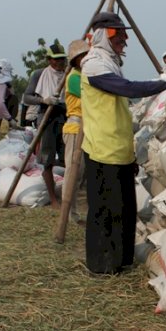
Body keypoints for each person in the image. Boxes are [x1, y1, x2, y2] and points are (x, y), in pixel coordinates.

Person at [81, 12, 166, 274]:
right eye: (117, 35)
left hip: (119, 149)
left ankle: (120, 261)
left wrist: (131, 155)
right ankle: (101, 266)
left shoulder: (110, 62)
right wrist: (160, 85)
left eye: (124, 35)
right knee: (104, 210)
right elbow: (127, 89)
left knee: (124, 209)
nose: (123, 41)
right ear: (102, 36)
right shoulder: (94, 63)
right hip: (102, 150)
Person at [22, 43, 67, 209]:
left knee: (66, 158)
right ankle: (53, 199)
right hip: (47, 118)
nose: (59, 62)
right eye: (56, 60)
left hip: (64, 117)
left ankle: (66, 195)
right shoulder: (39, 74)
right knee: (47, 159)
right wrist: (43, 100)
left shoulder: (67, 74)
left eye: (62, 59)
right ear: (49, 60)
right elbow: (27, 97)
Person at [64, 39, 91, 223]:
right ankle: (69, 213)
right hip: (75, 128)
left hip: (87, 128)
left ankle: (75, 212)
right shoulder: (74, 77)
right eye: (82, 57)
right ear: (75, 60)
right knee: (73, 171)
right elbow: (90, 96)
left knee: (82, 175)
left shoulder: (85, 75)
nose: (85, 59)